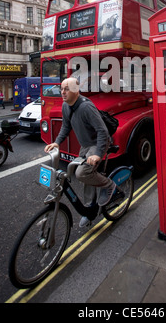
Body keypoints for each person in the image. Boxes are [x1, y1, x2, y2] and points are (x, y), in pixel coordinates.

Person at [44, 77, 116, 227]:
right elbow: (66, 126)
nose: (62, 92)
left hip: (97, 144)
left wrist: (97, 153)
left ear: (76, 91)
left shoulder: (86, 107)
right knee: (86, 175)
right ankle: (89, 210)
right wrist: (57, 142)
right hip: (86, 145)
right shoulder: (66, 106)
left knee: (82, 173)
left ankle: (109, 185)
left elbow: (102, 131)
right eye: (61, 88)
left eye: (67, 89)